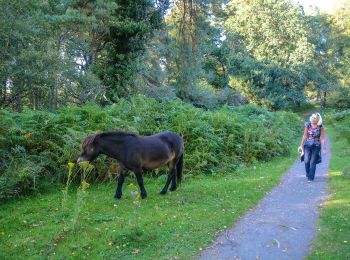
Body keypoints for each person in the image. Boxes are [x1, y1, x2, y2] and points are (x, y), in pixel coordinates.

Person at [298, 113, 326, 182]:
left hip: (316, 146)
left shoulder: (321, 127)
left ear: (318, 119)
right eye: (312, 117)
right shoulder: (308, 125)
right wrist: (301, 145)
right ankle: (308, 174)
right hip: (307, 145)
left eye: (315, 118)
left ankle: (311, 177)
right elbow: (304, 135)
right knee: (306, 160)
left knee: (313, 162)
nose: (313, 119)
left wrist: (324, 148)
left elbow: (322, 138)